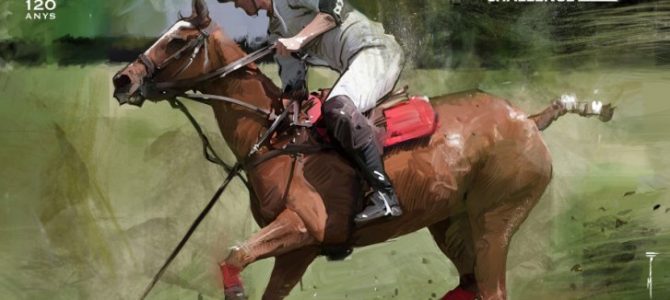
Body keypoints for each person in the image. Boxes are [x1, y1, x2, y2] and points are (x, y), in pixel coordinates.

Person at [220, 0, 404, 224]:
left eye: (234, 0)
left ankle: (385, 195)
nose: (236, 6)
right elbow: (294, 85)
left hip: (376, 53)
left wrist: (299, 40)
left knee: (338, 109)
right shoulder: (276, 31)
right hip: (355, 62)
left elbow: (335, 7)